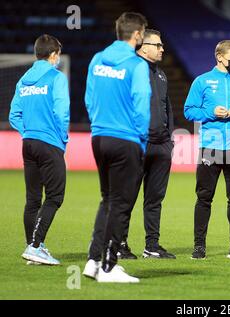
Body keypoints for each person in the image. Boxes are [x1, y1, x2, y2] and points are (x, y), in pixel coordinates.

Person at [82, 12, 151, 283]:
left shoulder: (97, 59)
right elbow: (141, 104)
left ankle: (93, 260)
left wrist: (99, 124)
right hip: (126, 139)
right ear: (137, 35)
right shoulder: (136, 64)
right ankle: (109, 267)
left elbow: (89, 97)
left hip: (99, 137)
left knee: (108, 200)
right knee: (122, 204)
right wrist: (141, 139)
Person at [184, 40, 230, 260]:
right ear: (219, 57)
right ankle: (199, 247)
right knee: (204, 197)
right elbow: (189, 111)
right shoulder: (202, 81)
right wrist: (210, 112)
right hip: (211, 146)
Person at [9, 34, 69, 266]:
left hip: (29, 143)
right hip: (50, 143)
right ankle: (35, 246)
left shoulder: (23, 80)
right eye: (58, 54)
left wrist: (27, 132)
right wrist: (61, 139)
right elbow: (61, 111)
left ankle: (33, 247)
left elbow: (14, 115)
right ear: (54, 55)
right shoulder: (56, 77)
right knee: (55, 196)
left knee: (33, 199)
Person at [119, 29, 176, 260]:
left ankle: (152, 246)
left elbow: (167, 108)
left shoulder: (161, 75)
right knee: (127, 197)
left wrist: (169, 140)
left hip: (161, 146)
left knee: (155, 199)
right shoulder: (129, 71)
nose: (162, 49)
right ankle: (120, 244)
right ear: (143, 47)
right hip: (137, 145)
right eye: (158, 45)